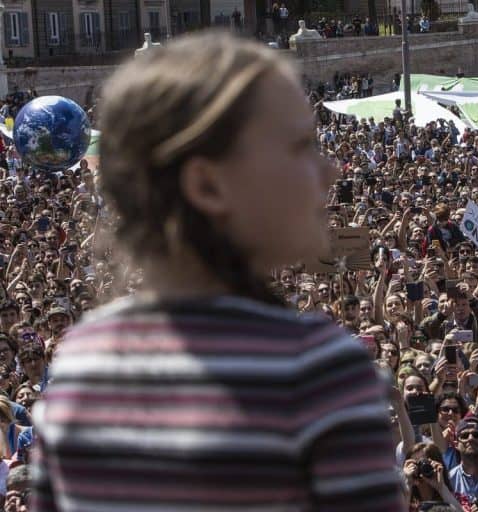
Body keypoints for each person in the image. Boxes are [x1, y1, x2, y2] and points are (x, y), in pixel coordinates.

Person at [31, 33, 402, 511]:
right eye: (299, 146)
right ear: (207, 184)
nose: (330, 170)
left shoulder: (80, 362)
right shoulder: (318, 371)